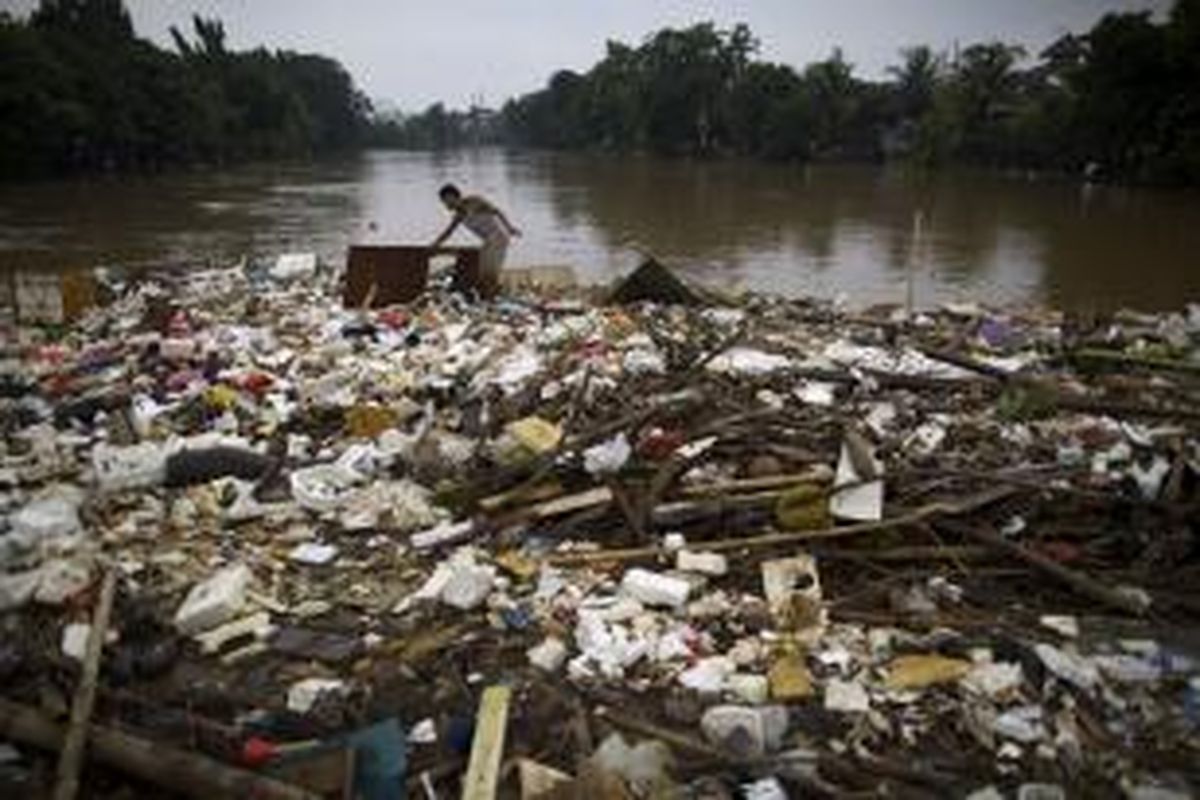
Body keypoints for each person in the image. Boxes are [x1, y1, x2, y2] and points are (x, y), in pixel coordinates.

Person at [430, 183, 520, 296]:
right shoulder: (459, 215)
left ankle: (492, 295)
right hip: (488, 241)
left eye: (446, 200)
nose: (445, 204)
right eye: (443, 202)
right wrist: (434, 245)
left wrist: (510, 228)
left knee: (489, 271)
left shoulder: (474, 201)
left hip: (499, 236)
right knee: (482, 270)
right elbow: (448, 233)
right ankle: (489, 294)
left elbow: (497, 211)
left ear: (453, 196)